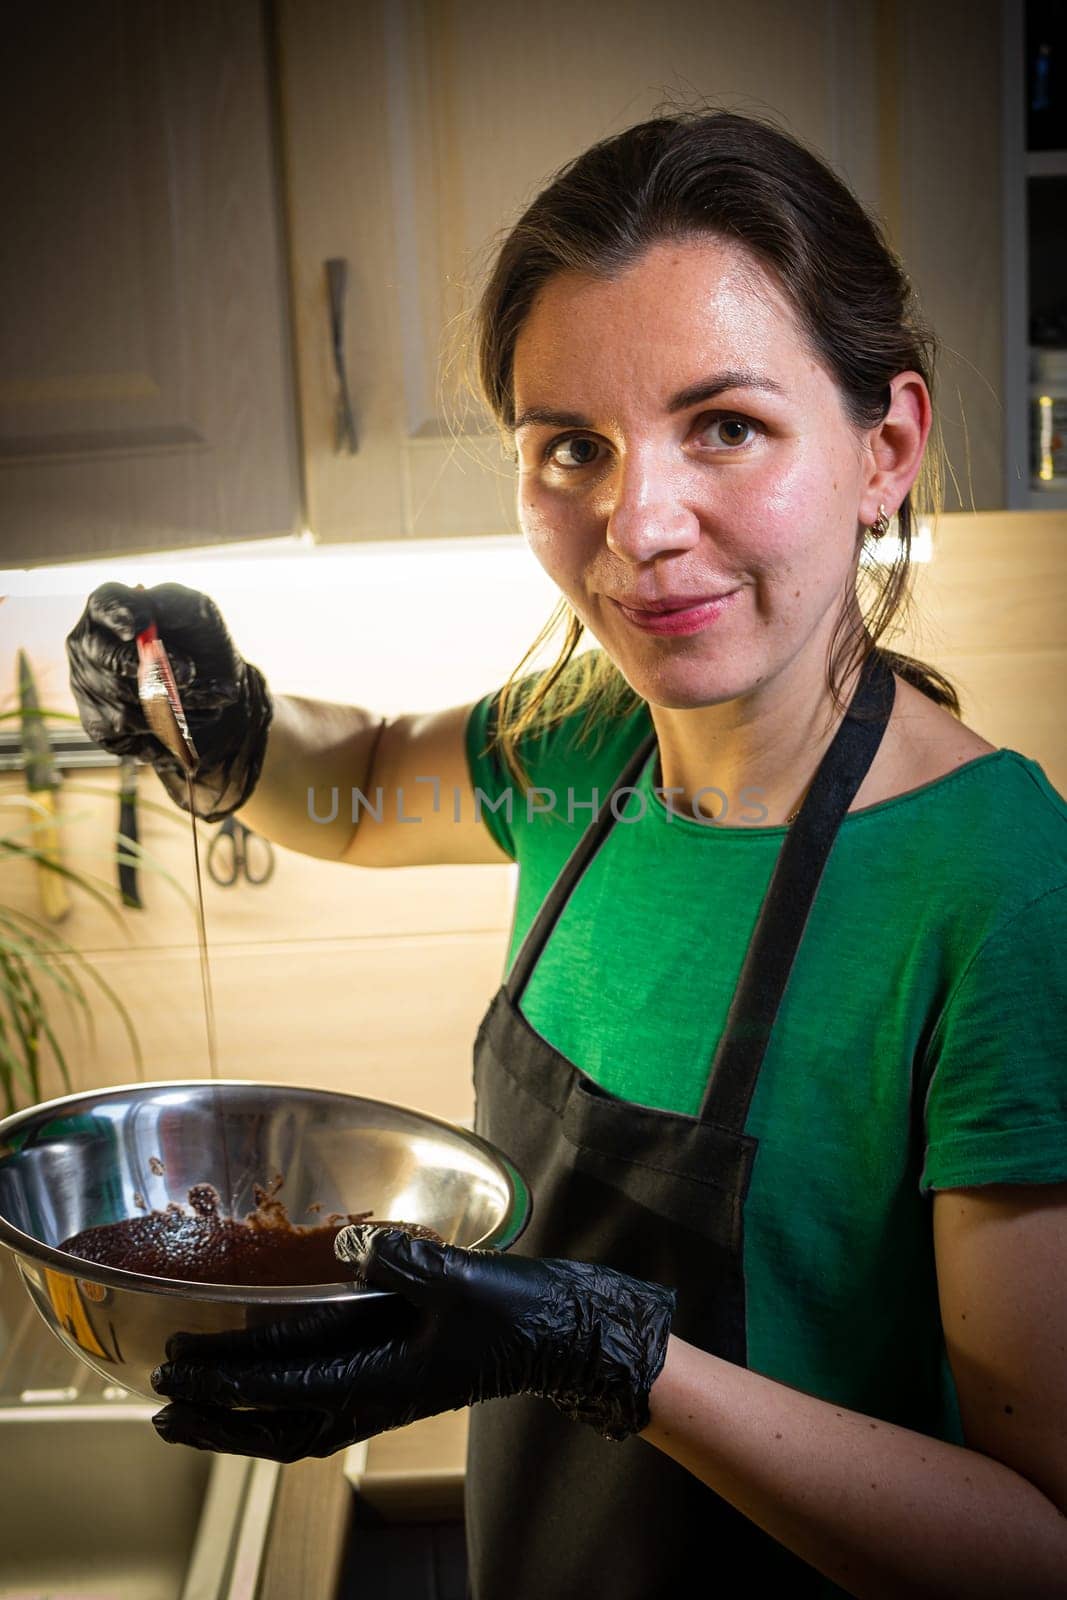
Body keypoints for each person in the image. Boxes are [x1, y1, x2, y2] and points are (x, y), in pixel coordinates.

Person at [66, 109, 1067, 1599]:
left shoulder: (999, 888)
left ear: (886, 447)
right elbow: (350, 777)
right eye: (571, 448)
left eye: (725, 425)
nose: (637, 523)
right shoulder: (584, 753)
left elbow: (1033, 1546)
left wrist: (611, 1358)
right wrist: (210, 715)